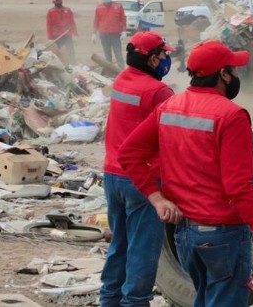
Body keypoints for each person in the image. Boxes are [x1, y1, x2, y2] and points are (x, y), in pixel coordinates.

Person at [119, 40, 253, 307]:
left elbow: (127, 153)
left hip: (185, 237)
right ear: (223, 74)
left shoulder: (170, 107)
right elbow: (238, 188)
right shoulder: (232, 116)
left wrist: (158, 200)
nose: (236, 75)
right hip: (223, 237)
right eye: (233, 70)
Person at [99, 32, 175, 307]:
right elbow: (174, 138)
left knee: (119, 245)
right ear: (153, 59)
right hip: (143, 181)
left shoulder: (122, 79)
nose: (167, 60)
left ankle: (108, 300)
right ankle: (135, 303)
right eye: (164, 55)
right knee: (143, 250)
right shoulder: (159, 92)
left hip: (113, 176)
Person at [94, 0, 126, 69]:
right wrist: (94, 34)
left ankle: (122, 71)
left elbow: (123, 19)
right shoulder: (99, 8)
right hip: (104, 35)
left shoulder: (118, 6)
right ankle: (109, 71)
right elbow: (96, 22)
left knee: (118, 54)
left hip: (115, 34)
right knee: (107, 55)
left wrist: (124, 31)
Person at [46, 0, 78, 65]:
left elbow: (72, 23)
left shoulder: (68, 10)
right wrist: (50, 38)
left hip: (67, 35)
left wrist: (75, 35)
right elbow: (49, 26)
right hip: (57, 37)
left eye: (60, 0)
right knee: (58, 53)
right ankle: (62, 66)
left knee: (71, 51)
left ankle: (74, 65)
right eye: (57, 1)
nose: (59, 2)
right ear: (53, 2)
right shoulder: (50, 12)